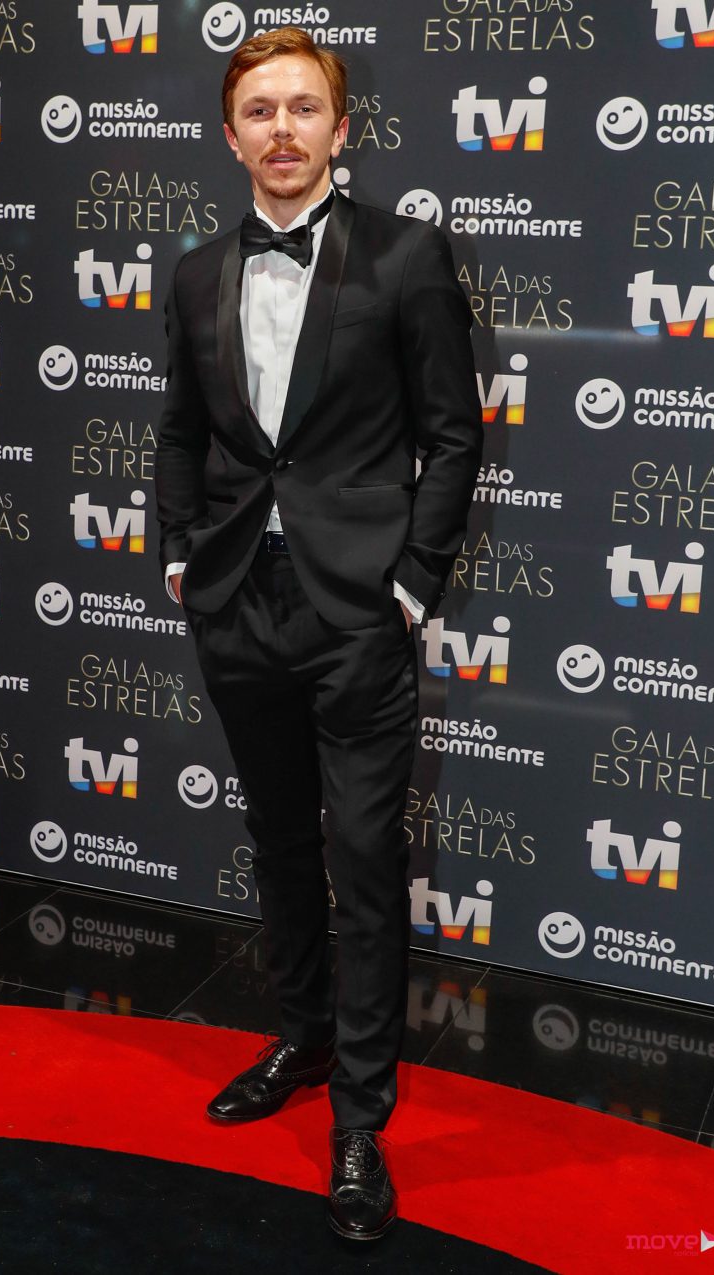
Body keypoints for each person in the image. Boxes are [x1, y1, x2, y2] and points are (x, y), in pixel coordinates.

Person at [155, 26, 482, 1241]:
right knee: (280, 841)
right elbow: (180, 429)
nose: (282, 129)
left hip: (358, 610)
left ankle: (359, 1119)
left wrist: (414, 585)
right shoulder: (197, 271)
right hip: (237, 599)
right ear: (229, 135)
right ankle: (296, 1039)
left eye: (303, 108)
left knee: (363, 859)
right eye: (260, 111)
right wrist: (180, 552)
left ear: (341, 130)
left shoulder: (405, 255)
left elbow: (453, 434)